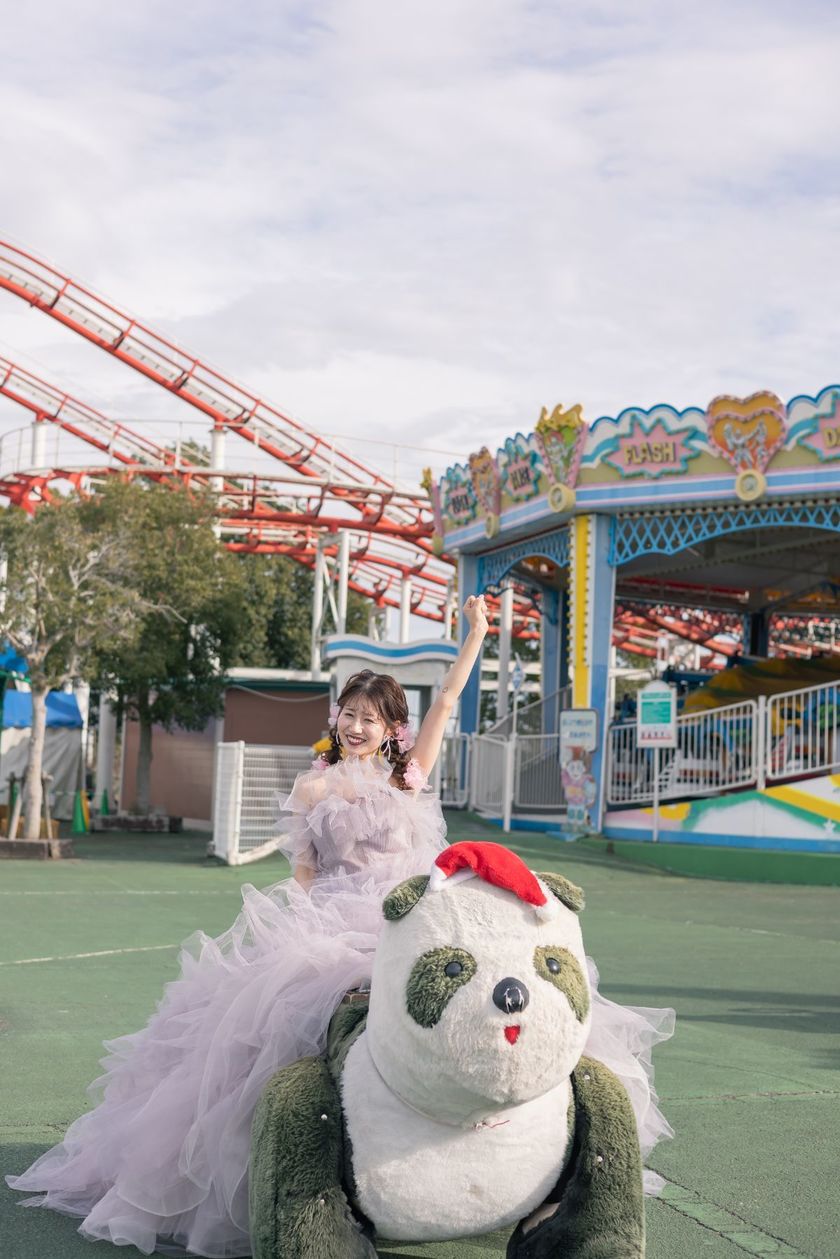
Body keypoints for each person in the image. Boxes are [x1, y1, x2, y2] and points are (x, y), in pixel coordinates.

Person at [8, 594, 673, 1257]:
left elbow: (444, 700)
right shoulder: (314, 788)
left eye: (369, 716)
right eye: (348, 713)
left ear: (391, 728)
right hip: (336, 919)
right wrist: (294, 932)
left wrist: (475, 633)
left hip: (413, 918)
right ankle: (305, 1176)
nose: (355, 725)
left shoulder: (408, 776)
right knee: (282, 1029)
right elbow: (304, 872)